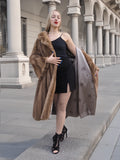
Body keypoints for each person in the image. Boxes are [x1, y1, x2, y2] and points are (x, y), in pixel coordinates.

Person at [30, 10, 99, 154]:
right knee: (56, 106)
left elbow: (78, 53)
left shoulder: (65, 36)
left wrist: (92, 66)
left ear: (61, 20)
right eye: (53, 16)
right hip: (52, 77)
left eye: (58, 17)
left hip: (67, 74)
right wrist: (46, 60)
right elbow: (33, 57)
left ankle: (57, 137)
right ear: (50, 19)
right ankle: (63, 128)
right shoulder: (42, 38)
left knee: (61, 106)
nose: (56, 19)